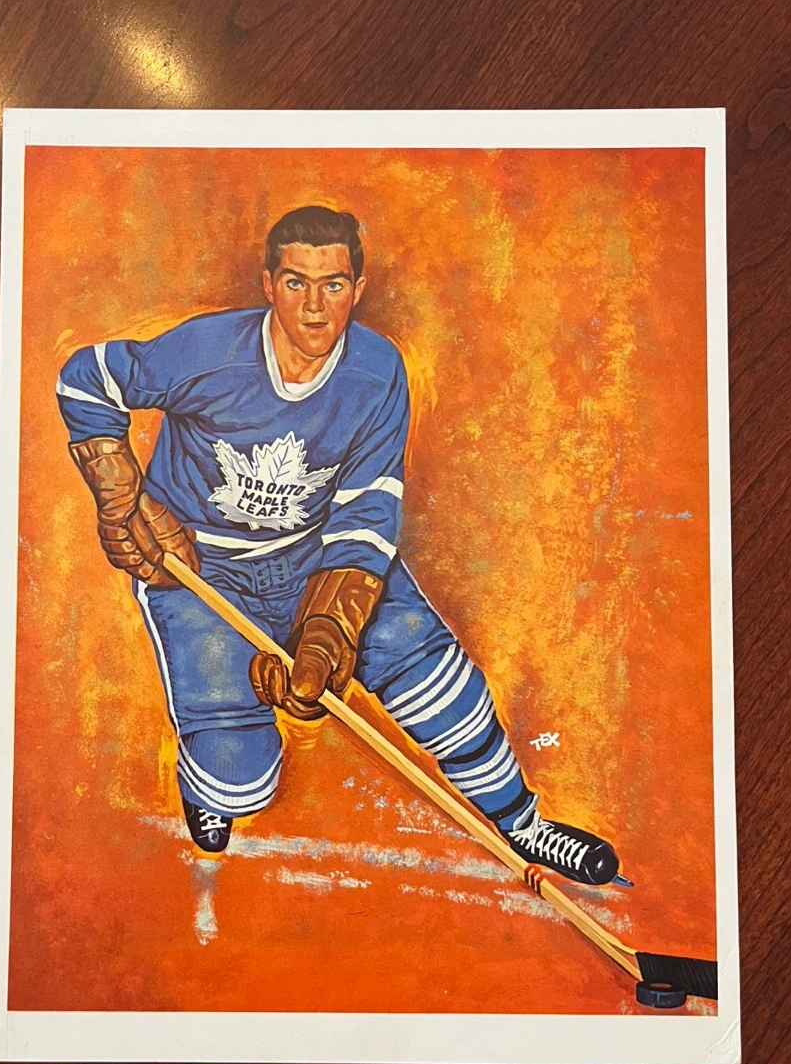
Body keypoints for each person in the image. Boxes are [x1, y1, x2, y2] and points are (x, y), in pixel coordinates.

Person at [56, 206, 622, 885]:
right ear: (269, 285)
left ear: (357, 287)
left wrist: (329, 628)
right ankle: (214, 788)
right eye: (296, 282)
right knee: (239, 780)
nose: (314, 307)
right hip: (201, 567)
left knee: (438, 681)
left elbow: (367, 509)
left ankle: (522, 824)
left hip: (315, 555)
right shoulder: (207, 352)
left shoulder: (377, 370)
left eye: (333, 284)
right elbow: (84, 378)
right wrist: (122, 496)